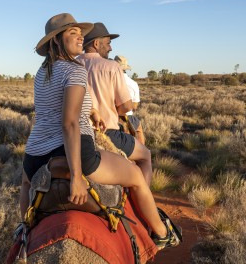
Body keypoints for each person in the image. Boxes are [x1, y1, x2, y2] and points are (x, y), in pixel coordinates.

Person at [19, 13, 170, 249]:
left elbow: (63, 103)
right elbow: (69, 123)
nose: (80, 38)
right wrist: (77, 177)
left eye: (80, 34)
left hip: (35, 156)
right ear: (56, 40)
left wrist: (93, 112)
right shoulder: (75, 69)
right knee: (137, 178)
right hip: (78, 152)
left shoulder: (43, 72)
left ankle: (25, 229)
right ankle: (162, 234)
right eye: (73, 33)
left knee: (27, 184)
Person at [77, 23, 153, 186]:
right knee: (145, 155)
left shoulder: (72, 65)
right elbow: (127, 106)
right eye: (108, 43)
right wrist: (113, 110)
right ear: (96, 44)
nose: (110, 48)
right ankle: (144, 199)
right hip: (107, 132)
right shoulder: (111, 67)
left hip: (78, 134)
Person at [114, 55, 145, 145]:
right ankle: (143, 152)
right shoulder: (133, 84)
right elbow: (134, 106)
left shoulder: (110, 81)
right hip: (128, 116)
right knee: (139, 130)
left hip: (112, 117)